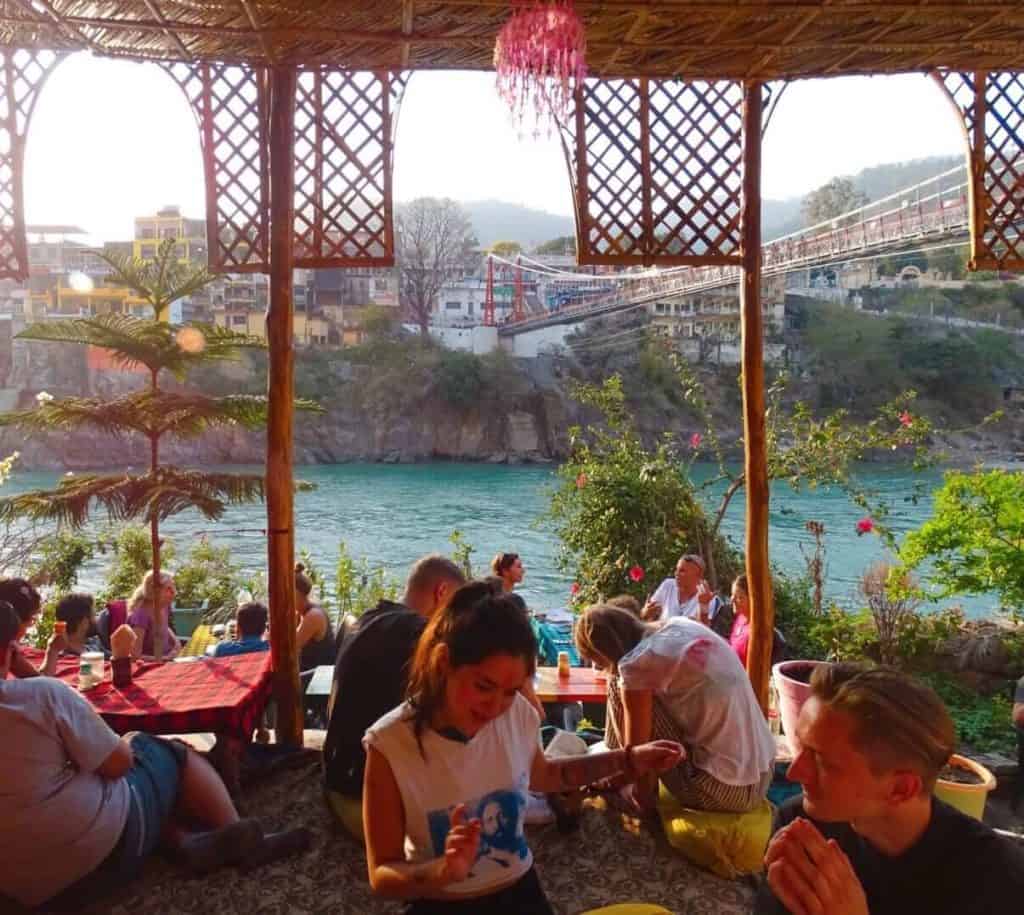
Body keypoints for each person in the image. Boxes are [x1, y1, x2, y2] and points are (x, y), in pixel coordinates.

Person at [362, 583, 683, 913]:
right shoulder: (390, 744)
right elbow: (382, 875)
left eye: (511, 691)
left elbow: (547, 775)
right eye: (484, 686)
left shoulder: (517, 713)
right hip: (440, 902)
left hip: (521, 891)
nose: (495, 707)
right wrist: (442, 870)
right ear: (443, 662)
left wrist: (629, 759)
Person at [0, 601, 311, 911]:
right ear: (11, 651)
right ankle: (244, 837)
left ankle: (183, 842)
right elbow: (119, 765)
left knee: (127, 780)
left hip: (17, 888)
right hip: (98, 864)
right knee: (154, 750)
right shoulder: (45, 697)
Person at [756, 663, 1024, 915]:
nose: (794, 772)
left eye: (823, 762)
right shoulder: (801, 830)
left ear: (901, 789)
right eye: (802, 747)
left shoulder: (996, 881)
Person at [575, 604, 774, 813]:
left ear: (603, 652)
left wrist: (640, 795)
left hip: (722, 791)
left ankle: (619, 767)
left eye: (598, 662)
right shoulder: (680, 624)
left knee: (618, 680)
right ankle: (614, 756)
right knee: (629, 685)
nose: (599, 668)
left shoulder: (637, 663)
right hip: (763, 773)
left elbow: (639, 752)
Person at [323, 555, 467, 799]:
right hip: (364, 791)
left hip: (337, 773)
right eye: (455, 608)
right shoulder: (418, 634)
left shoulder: (368, 618)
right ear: (442, 591)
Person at [0, 576, 65, 677]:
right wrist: (53, 650)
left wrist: (53, 649)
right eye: (30, 620)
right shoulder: (4, 647)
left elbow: (39, 680)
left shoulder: (9, 649)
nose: (30, 625)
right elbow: (43, 683)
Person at [641, 553, 721, 624]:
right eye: (676, 569)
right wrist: (645, 613)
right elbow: (645, 614)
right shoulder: (668, 585)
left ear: (699, 575)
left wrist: (703, 606)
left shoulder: (708, 598)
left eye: (682, 571)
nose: (676, 573)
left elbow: (704, 630)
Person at [127, 570, 180, 660]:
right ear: (154, 591)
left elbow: (163, 626)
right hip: (150, 664)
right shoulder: (141, 615)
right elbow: (135, 655)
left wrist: (176, 643)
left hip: (168, 658)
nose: (174, 592)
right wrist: (163, 658)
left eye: (173, 586)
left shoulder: (164, 606)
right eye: (168, 589)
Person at [295, 562, 335, 670]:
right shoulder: (301, 612)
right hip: (308, 668)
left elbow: (290, 647)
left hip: (316, 674)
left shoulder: (314, 616)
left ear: (296, 593)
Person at [54, 592, 106, 657]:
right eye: (93, 615)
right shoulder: (59, 653)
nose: (95, 619)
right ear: (84, 622)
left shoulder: (94, 641)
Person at [728, 574, 751, 666]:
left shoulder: (756, 631)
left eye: (739, 597)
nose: (732, 600)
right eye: (732, 595)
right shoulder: (740, 618)